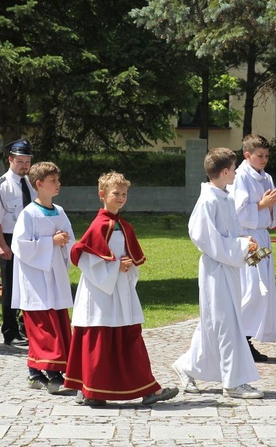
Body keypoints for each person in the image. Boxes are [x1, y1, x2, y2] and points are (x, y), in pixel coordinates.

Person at [64, 172, 179, 406]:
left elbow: (129, 258)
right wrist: (117, 266)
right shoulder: (98, 226)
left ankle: (144, 389)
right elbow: (85, 260)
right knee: (100, 340)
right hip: (100, 294)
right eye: (115, 193)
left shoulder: (123, 225)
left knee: (128, 337)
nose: (121, 198)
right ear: (102, 195)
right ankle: (92, 391)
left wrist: (124, 266)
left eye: (124, 194)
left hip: (121, 290)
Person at [173, 148, 264, 399]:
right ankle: (233, 382)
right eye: (234, 169)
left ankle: (187, 365)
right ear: (225, 172)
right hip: (216, 269)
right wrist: (241, 246)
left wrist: (246, 243)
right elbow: (205, 238)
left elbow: (228, 235)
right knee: (226, 324)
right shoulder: (208, 200)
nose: (236, 173)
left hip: (228, 267)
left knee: (215, 323)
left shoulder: (224, 197)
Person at [11, 162, 74, 393]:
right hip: (36, 281)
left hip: (55, 277)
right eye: (53, 181)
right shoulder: (29, 213)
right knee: (42, 328)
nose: (58, 184)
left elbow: (70, 240)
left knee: (57, 325)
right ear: (39, 184)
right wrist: (50, 242)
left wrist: (65, 240)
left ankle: (36, 372)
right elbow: (20, 246)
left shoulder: (60, 211)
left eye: (58, 180)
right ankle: (52, 373)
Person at [231, 134, 276, 362]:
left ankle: (247, 338)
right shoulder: (240, 177)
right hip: (249, 239)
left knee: (264, 290)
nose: (264, 160)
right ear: (247, 155)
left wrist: (270, 207)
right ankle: (240, 338)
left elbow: (272, 213)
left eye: (266, 156)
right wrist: (263, 204)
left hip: (263, 237)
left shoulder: (267, 177)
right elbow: (239, 211)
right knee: (252, 289)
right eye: (259, 156)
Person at [0, 138, 37, 346]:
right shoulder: (1, 185)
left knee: (29, 284)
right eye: (20, 161)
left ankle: (26, 327)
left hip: (29, 238)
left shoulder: (31, 183)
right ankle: (10, 332)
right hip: (9, 238)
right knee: (10, 287)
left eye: (27, 161)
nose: (24, 165)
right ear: (10, 160)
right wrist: (2, 245)